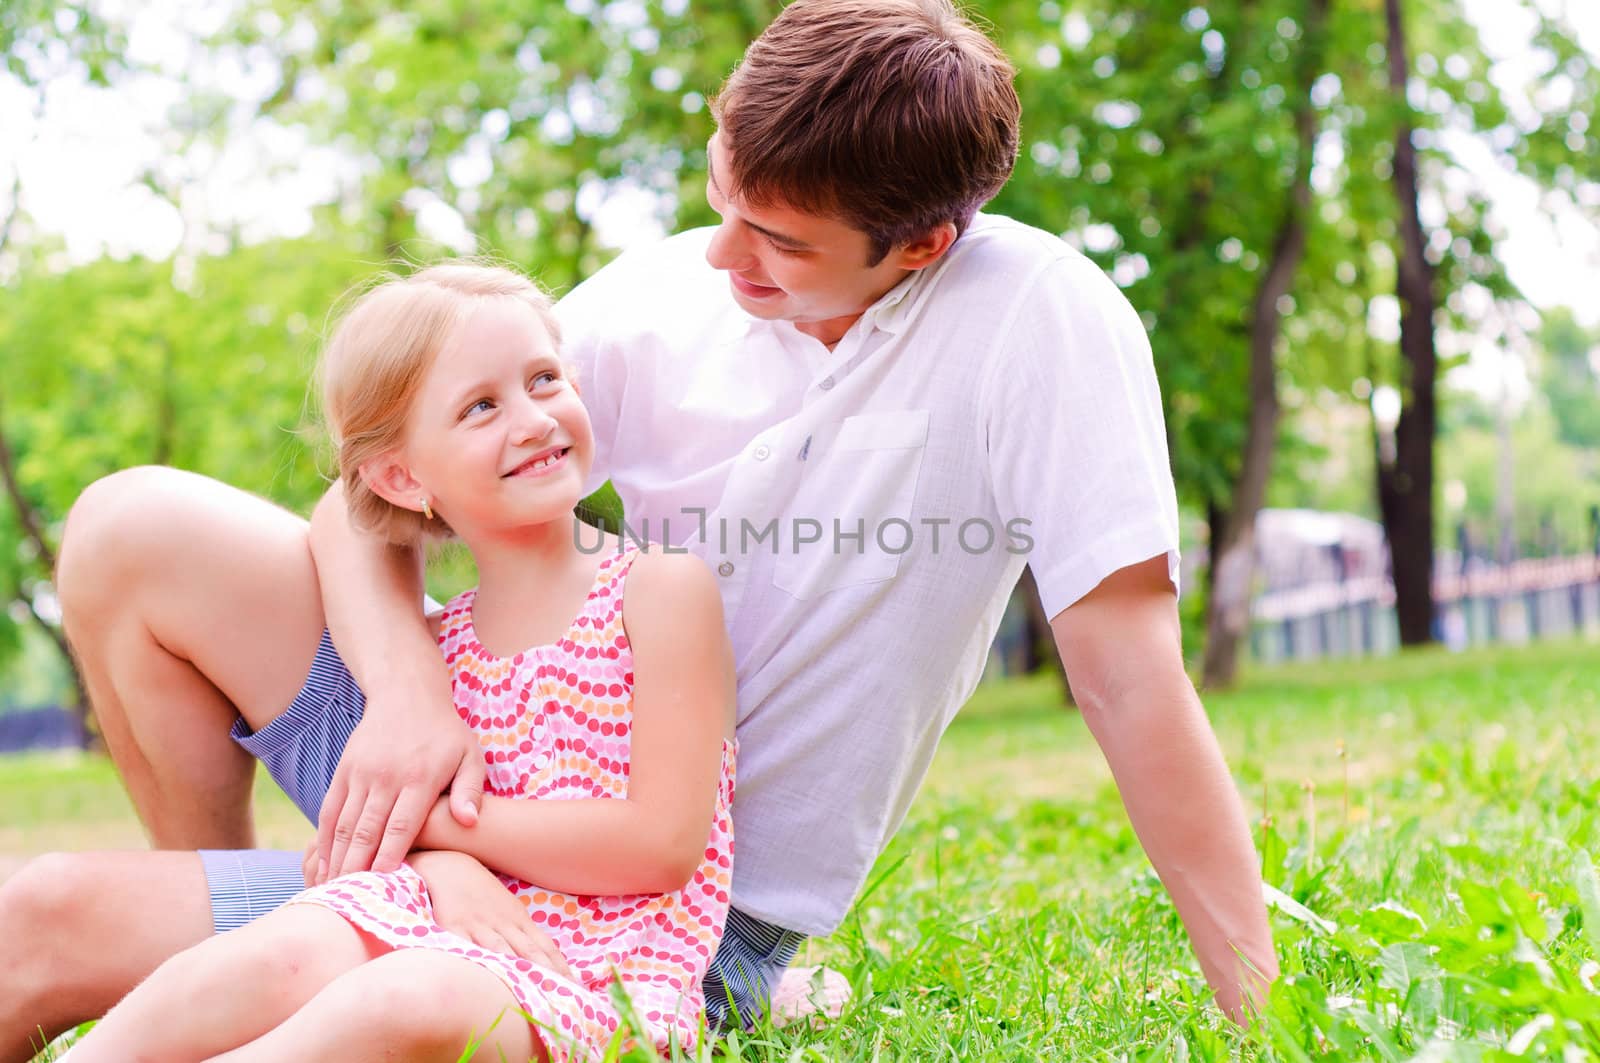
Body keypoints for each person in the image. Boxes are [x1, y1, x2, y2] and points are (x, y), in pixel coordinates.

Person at [0, 1, 1277, 1057]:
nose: (721, 258)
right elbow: (378, 493)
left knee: (83, 937)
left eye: (776, 243)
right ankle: (266, 907)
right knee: (125, 532)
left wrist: (1261, 1011)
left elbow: (1127, 681)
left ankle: (284, 944)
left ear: (920, 249)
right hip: (463, 765)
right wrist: (404, 699)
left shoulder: (1036, 327)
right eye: (722, 195)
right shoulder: (664, 298)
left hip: (646, 890)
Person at [62, 262, 737, 1061]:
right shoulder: (438, 650)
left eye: (546, 379)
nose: (533, 419)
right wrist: (436, 862)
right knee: (281, 949)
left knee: (409, 996)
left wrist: (425, 826)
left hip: (601, 967)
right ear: (401, 478)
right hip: (431, 913)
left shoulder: (659, 591)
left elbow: (660, 842)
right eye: (481, 406)